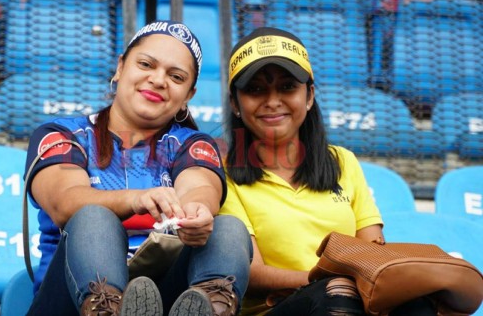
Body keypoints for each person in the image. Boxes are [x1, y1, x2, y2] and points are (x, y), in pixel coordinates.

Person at [23, 20, 252, 316]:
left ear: (188, 96)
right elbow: (65, 202)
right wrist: (136, 199)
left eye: (176, 77)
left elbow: (200, 187)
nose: (158, 80)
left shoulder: (192, 143)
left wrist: (197, 212)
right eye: (146, 64)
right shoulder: (62, 134)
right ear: (120, 67)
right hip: (68, 302)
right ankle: (107, 310)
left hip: (167, 298)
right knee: (93, 217)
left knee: (228, 228)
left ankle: (213, 309)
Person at [219, 27, 438, 316]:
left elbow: (372, 250)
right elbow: (252, 273)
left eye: (287, 87)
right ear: (235, 103)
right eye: (256, 89)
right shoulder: (221, 174)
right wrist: (328, 279)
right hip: (277, 310)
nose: (272, 101)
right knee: (336, 295)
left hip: (351, 298)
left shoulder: (343, 161)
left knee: (417, 305)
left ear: (309, 96)